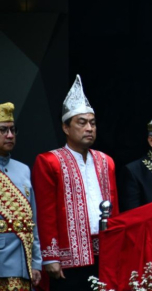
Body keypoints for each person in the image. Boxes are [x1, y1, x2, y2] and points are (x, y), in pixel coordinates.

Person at [32, 75, 119, 291]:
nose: (89, 128)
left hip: (104, 252)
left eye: (92, 123)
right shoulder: (49, 161)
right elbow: (45, 212)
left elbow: (114, 208)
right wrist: (50, 256)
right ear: (65, 128)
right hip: (67, 257)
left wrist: (118, 248)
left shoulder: (105, 161)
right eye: (82, 123)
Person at [0, 102, 42, 291]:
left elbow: (32, 221)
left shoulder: (23, 169)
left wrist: (36, 262)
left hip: (23, 263)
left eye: (12, 130)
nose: (9, 135)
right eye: (3, 130)